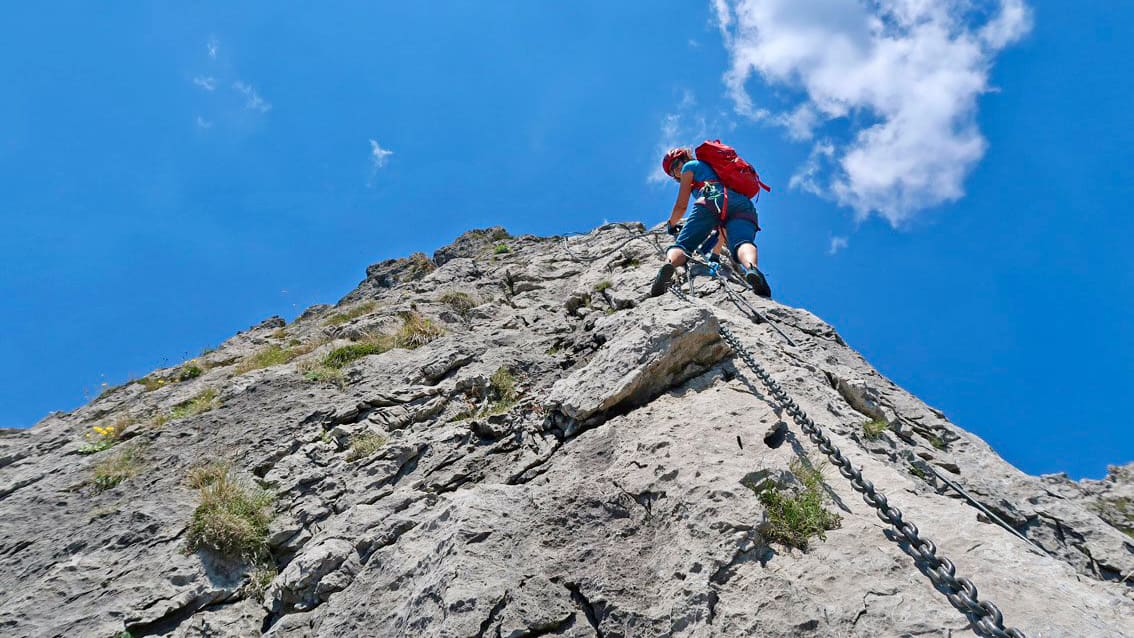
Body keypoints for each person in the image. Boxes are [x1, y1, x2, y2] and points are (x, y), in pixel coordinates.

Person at [650, 147, 772, 298]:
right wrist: (716, 254)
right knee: (742, 242)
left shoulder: (690, 167)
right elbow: (723, 227)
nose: (677, 168)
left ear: (685, 160)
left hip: (710, 199)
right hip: (742, 205)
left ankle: (668, 265)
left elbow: (681, 206)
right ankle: (752, 269)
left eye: (677, 164)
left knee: (683, 245)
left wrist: (671, 224)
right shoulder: (712, 166)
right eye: (673, 168)